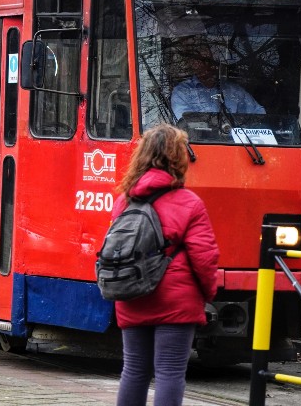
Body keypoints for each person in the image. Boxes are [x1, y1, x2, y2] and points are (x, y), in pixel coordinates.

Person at [113, 124, 219, 406]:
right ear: (178, 159)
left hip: (132, 293)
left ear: (141, 156)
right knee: (169, 372)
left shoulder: (124, 201)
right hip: (176, 301)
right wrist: (208, 294)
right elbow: (204, 257)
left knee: (134, 370)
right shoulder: (189, 202)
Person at [171, 37, 265, 120]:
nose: (205, 65)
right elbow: (184, 124)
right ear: (191, 63)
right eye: (199, 60)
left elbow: (259, 114)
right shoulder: (182, 92)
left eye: (208, 60)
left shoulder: (233, 90)